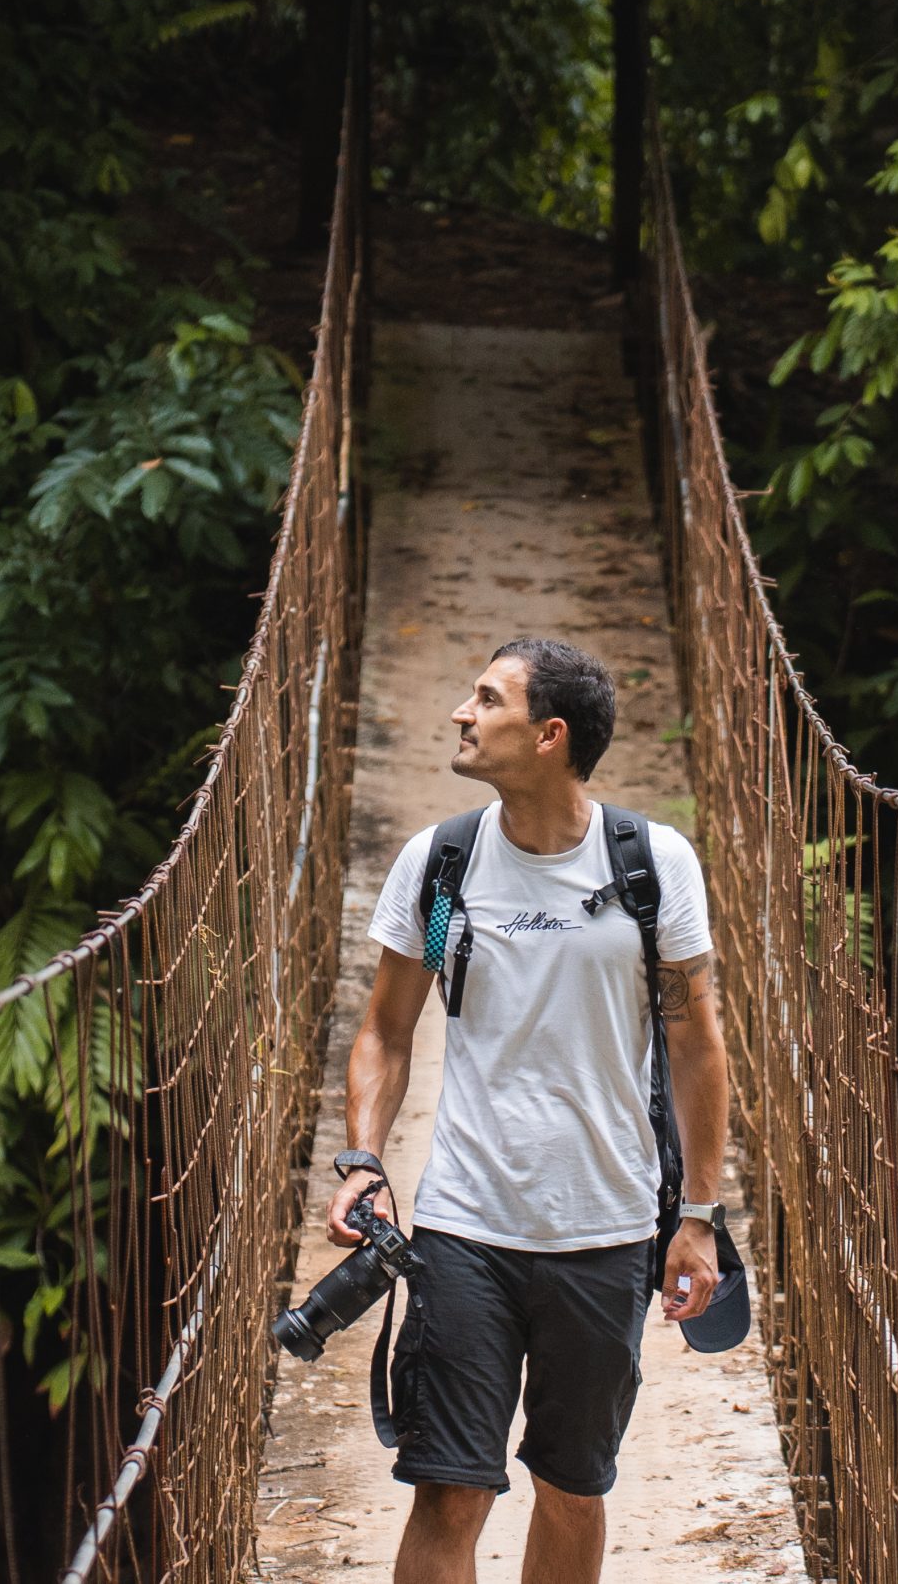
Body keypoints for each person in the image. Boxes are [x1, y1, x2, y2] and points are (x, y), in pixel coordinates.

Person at [328, 636, 729, 1584]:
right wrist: (362, 1157)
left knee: (572, 1487)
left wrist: (700, 1218)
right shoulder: (443, 869)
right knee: (449, 1489)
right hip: (468, 1227)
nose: (462, 713)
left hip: (608, 1230)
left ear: (549, 734)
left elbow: (696, 1043)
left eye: (487, 698)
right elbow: (388, 1025)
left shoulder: (650, 867)